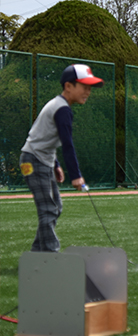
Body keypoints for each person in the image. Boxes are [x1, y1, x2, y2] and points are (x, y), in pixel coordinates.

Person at [20, 64, 104, 252]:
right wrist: (76, 175)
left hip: (39, 159)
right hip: (33, 161)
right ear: (68, 86)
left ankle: (37, 254)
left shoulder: (59, 106)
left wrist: (55, 164)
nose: (88, 92)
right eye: (84, 87)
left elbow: (44, 136)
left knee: (55, 206)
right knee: (48, 209)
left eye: (90, 88)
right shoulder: (62, 109)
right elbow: (68, 144)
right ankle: (51, 256)